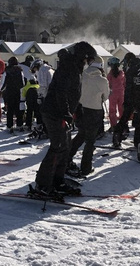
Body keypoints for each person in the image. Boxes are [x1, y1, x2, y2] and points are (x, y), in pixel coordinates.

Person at [33, 41, 97, 197]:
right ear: (81, 56)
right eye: (87, 60)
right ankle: (42, 184)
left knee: (66, 148)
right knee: (58, 147)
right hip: (54, 112)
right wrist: (66, 113)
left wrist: (78, 110)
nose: (87, 64)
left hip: (61, 112)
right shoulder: (68, 68)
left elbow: (72, 93)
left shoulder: (75, 68)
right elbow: (60, 93)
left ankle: (57, 180)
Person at [67, 55, 109, 177]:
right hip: (94, 111)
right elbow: (106, 97)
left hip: (81, 109)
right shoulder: (102, 80)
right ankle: (86, 167)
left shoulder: (81, 76)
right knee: (90, 141)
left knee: (80, 135)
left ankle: (66, 158)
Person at [1, 56, 25, 132]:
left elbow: (3, 82)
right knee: (18, 109)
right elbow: (22, 83)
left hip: (9, 92)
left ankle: (9, 126)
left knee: (10, 110)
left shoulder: (7, 70)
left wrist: (1, 90)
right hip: (17, 92)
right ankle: (19, 125)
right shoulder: (20, 70)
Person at [106, 57, 125, 130]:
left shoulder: (110, 74)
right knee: (122, 109)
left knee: (112, 110)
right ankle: (123, 125)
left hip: (113, 93)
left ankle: (113, 125)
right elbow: (124, 83)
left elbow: (108, 84)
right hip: (121, 93)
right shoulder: (122, 73)